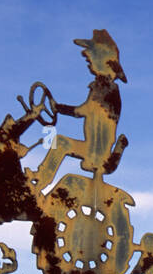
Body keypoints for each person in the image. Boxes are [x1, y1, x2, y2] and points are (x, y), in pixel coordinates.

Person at [25, 29, 128, 188]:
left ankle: (40, 180)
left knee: (59, 143)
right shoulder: (104, 88)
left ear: (104, 62)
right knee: (59, 142)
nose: (89, 63)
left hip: (98, 154)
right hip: (93, 148)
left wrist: (59, 108)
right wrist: (58, 107)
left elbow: (82, 111)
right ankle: (40, 178)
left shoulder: (105, 90)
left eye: (91, 60)